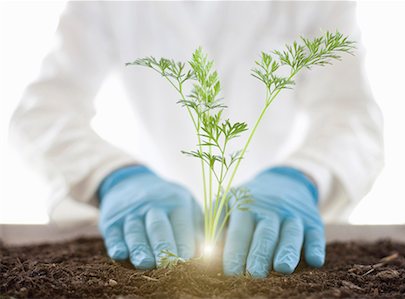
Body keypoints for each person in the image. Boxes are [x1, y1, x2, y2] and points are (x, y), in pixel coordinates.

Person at [9, 2, 383, 278]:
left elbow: (353, 117)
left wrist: (302, 177)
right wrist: (113, 176)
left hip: (275, 212)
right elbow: (44, 111)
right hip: (148, 210)